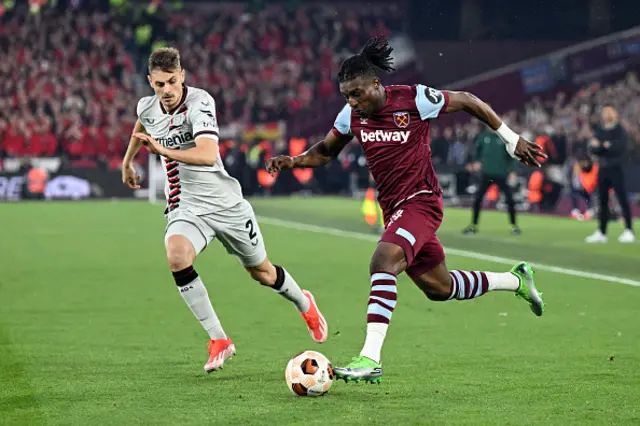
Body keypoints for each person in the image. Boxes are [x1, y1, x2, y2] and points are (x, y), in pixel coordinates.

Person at [266, 37, 547, 384]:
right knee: (439, 287)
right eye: (346, 97)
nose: (352, 102)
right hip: (394, 210)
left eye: (357, 93)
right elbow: (326, 150)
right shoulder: (351, 116)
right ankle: (515, 280)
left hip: (422, 201)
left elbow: (469, 101)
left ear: (375, 84)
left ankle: (370, 357)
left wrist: (510, 138)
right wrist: (293, 161)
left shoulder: (413, 99)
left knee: (382, 262)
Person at [121, 48, 328, 373]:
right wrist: (127, 161)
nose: (167, 90)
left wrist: (162, 149)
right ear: (151, 82)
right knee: (176, 255)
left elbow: (206, 154)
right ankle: (219, 339)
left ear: (183, 76)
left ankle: (304, 303)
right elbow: (143, 121)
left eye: (172, 82)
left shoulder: (200, 102)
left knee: (262, 273)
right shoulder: (147, 106)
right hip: (186, 205)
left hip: (226, 204)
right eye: (159, 84)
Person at [585, 104, 635, 243]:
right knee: (602, 200)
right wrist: (604, 146)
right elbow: (593, 148)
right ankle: (602, 232)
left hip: (616, 168)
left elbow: (619, 148)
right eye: (604, 112)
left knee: (622, 199)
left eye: (609, 111)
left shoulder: (620, 129)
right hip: (603, 168)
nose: (606, 114)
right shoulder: (600, 130)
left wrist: (602, 146)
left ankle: (629, 230)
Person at [462, 126, 521, 235]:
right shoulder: (483, 137)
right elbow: (476, 151)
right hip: (487, 174)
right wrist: (475, 161)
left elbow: (511, 156)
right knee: (478, 199)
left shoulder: (504, 138)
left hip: (501, 174)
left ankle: (514, 226)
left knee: (510, 200)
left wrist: (512, 171)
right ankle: (473, 225)